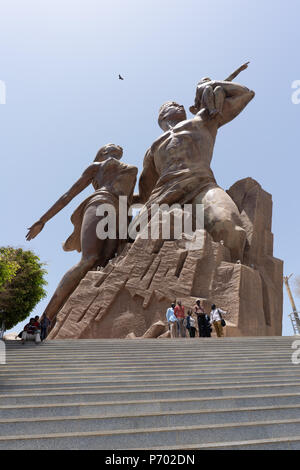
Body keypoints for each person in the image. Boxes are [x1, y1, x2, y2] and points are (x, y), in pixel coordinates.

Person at [133, 72, 254, 262]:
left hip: (202, 186)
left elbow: (245, 93)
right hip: (162, 195)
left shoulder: (202, 120)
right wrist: (118, 202)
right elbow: (144, 192)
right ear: (162, 117)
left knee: (229, 228)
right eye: (173, 105)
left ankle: (225, 279)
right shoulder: (153, 150)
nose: (180, 105)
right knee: (134, 238)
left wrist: (211, 84)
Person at [26, 144, 137, 325]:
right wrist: (43, 220)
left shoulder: (132, 169)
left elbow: (130, 199)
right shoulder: (98, 166)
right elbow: (68, 195)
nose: (116, 148)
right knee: (89, 259)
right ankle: (45, 318)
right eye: (109, 147)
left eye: (118, 148)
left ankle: (79, 318)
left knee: (105, 263)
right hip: (101, 202)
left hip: (121, 215)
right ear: (102, 153)